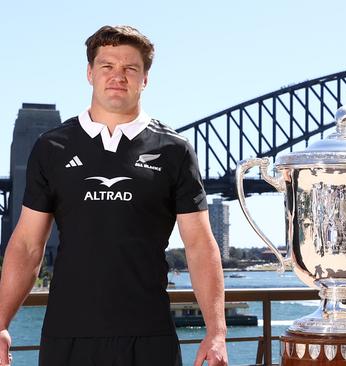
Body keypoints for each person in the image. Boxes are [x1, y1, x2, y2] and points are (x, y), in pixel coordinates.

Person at [0, 25, 228, 366]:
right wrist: (0, 323)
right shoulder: (51, 147)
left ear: (145, 79)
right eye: (107, 66)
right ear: (90, 73)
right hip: (67, 334)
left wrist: (217, 331)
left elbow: (199, 245)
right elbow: (27, 245)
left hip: (149, 337)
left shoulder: (174, 150)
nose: (117, 76)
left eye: (130, 68)